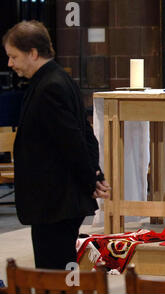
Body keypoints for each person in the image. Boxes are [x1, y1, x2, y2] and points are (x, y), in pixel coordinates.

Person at [2, 20, 110, 270]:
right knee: (57, 271)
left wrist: (89, 180)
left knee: (55, 273)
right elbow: (85, 135)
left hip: (55, 202)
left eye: (13, 56)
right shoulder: (56, 79)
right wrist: (93, 175)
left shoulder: (50, 86)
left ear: (32, 53)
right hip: (55, 201)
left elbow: (73, 141)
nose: (10, 64)